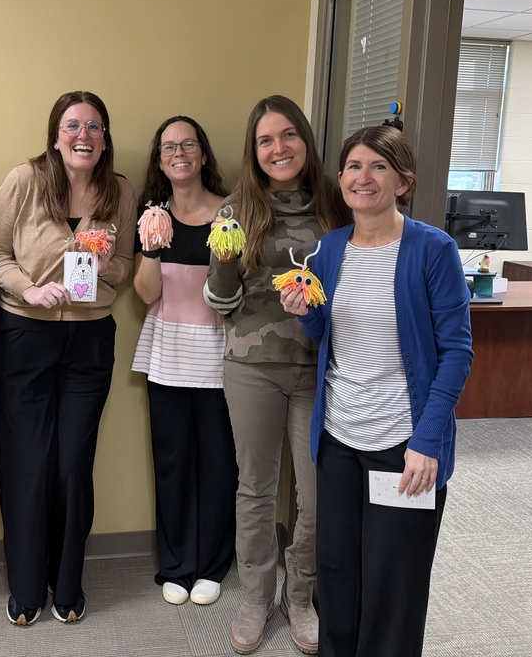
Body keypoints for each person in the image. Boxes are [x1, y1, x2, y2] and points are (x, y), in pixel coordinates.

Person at [282, 125, 474, 657]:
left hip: (403, 444)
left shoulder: (433, 249)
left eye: (377, 166)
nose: (362, 177)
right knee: (337, 573)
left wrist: (427, 441)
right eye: (353, 166)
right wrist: (306, 313)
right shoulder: (328, 249)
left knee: (393, 583)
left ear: (403, 182)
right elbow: (330, 335)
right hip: (339, 437)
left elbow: (457, 352)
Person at [204, 95, 352, 655]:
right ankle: (255, 597)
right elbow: (222, 302)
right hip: (253, 367)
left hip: (321, 366)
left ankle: (301, 596)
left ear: (305, 140)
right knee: (256, 489)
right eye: (265, 140)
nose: (278, 148)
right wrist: (224, 260)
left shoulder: (337, 202)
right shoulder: (236, 209)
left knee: (316, 495)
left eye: (288, 135)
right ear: (254, 150)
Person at [0, 90, 136, 626]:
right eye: (73, 125)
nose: (83, 135)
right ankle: (27, 586)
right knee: (28, 464)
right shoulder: (24, 181)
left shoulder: (119, 191)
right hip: (24, 336)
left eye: (94, 126)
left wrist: (104, 266)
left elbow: (126, 263)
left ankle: (67, 582)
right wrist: (28, 289)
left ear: (105, 139)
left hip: (90, 340)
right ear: (56, 136)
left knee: (73, 465)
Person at [131, 116, 237, 608]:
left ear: (203, 153)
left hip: (221, 358)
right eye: (169, 147)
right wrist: (152, 249)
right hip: (168, 357)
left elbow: (236, 292)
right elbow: (145, 294)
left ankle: (213, 564)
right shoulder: (152, 218)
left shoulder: (230, 214)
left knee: (218, 464)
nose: (179, 153)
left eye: (188, 144)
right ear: (159, 160)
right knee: (172, 463)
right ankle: (176, 565)